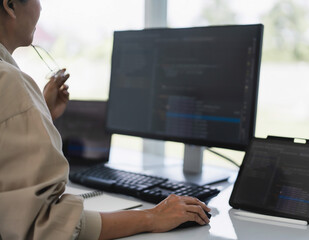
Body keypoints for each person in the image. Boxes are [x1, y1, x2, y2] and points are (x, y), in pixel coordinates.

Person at [0, 0, 211, 239]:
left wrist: (39, 113)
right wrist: (153, 217)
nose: (42, 8)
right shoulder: (9, 81)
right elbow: (47, 225)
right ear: (10, 5)